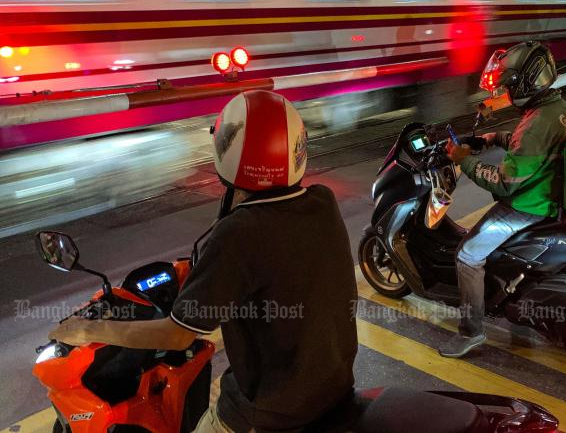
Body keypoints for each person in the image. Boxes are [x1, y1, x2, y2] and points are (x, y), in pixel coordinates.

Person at [50, 91, 359, 433]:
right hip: (332, 390)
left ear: (229, 149)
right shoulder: (321, 203)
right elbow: (280, 267)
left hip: (272, 413)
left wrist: (89, 329)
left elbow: (177, 335)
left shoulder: (240, 232)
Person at [438, 41, 566, 358]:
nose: (504, 92)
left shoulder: (536, 123)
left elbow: (504, 183)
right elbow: (534, 147)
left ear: (526, 83)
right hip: (555, 196)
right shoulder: (560, 110)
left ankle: (471, 331)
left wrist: (464, 160)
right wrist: (495, 138)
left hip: (528, 206)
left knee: (467, 254)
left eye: (508, 86)